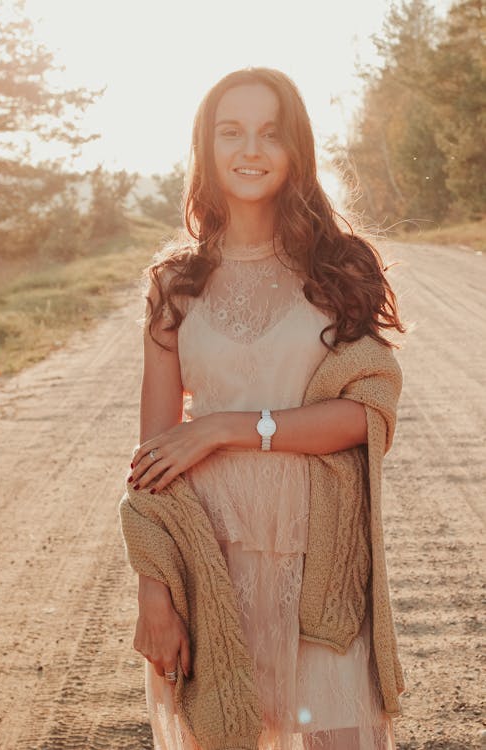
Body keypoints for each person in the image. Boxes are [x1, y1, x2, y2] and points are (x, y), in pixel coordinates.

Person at [126, 67, 406, 750]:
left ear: (295, 150)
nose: (250, 150)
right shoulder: (175, 283)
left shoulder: (339, 267)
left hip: (320, 560)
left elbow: (367, 413)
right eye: (232, 132)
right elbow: (152, 463)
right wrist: (154, 592)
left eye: (270, 133)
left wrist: (229, 427)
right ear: (207, 147)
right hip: (211, 560)